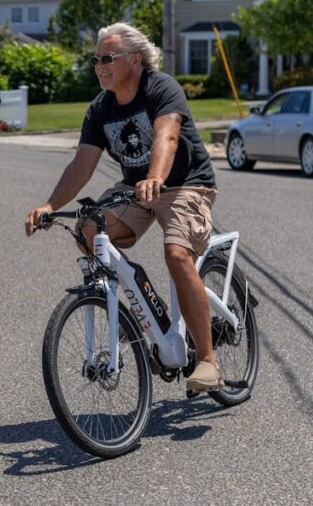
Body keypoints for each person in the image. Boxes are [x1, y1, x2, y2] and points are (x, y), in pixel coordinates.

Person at [24, 22, 222, 392]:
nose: (99, 65)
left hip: (184, 184)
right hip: (137, 188)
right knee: (87, 230)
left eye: (107, 58)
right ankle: (137, 310)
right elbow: (82, 164)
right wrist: (50, 204)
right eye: (96, 59)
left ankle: (208, 360)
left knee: (177, 254)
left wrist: (156, 177)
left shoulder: (160, 87)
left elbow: (168, 135)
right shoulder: (100, 108)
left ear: (134, 59)